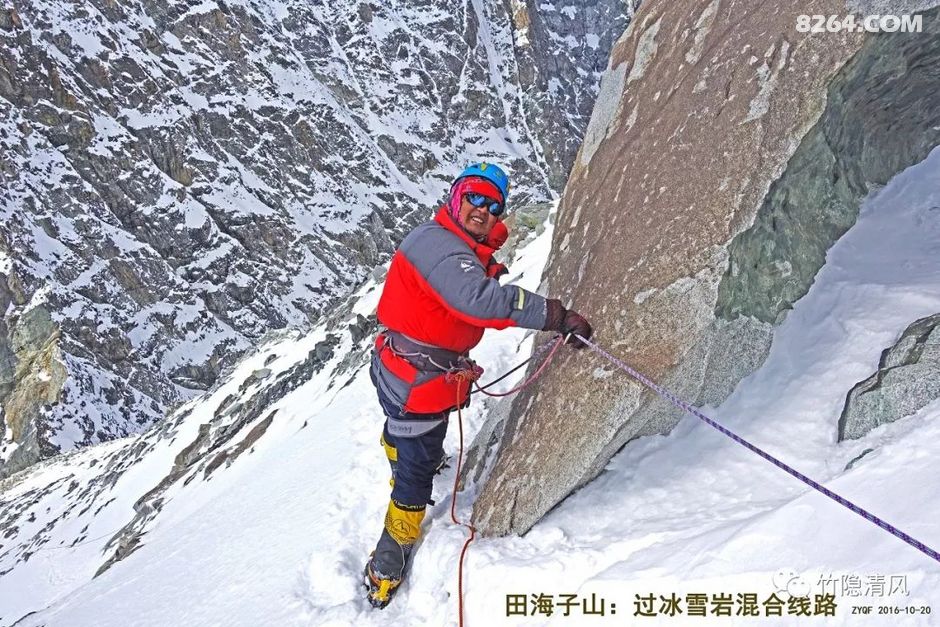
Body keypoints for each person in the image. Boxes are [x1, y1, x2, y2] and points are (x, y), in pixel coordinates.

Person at [363, 163, 593, 608]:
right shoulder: (444, 249)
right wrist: (556, 316)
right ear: (455, 197)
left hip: (400, 370)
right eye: (474, 197)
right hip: (418, 387)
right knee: (415, 470)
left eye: (493, 205)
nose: (483, 210)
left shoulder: (444, 240)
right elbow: (480, 301)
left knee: (402, 432)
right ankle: (390, 557)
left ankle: (402, 454)